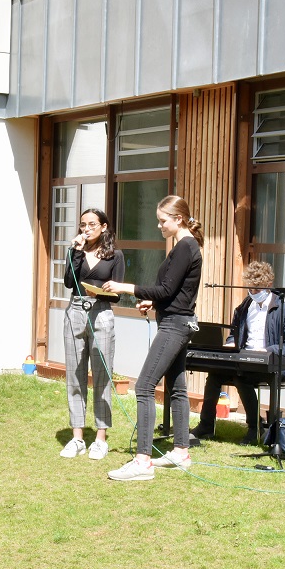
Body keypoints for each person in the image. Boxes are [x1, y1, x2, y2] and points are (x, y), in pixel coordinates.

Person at [101, 195, 202, 481]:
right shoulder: (184, 246)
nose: (159, 226)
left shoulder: (185, 246)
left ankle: (143, 461)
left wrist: (127, 287)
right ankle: (181, 451)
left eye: (162, 221)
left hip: (175, 326)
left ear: (178, 219)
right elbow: (174, 293)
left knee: (144, 387)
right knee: (177, 387)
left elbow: (167, 289)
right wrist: (153, 303)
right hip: (178, 321)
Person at [192, 261, 285, 445]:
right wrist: (230, 343)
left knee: (240, 376)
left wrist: (267, 351)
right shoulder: (244, 307)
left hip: (270, 364)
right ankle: (206, 425)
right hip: (242, 359)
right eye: (250, 289)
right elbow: (234, 334)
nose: (253, 293)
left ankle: (254, 427)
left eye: (257, 289)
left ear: (268, 286)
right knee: (215, 373)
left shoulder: (283, 309)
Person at [59, 208, 125, 460]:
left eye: (92, 224)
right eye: (83, 225)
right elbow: (68, 281)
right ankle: (77, 437)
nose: (86, 229)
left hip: (101, 313)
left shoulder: (115, 255)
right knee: (75, 375)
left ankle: (100, 437)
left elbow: (117, 292)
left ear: (104, 227)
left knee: (102, 375)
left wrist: (103, 291)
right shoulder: (76, 251)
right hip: (75, 311)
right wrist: (75, 251)